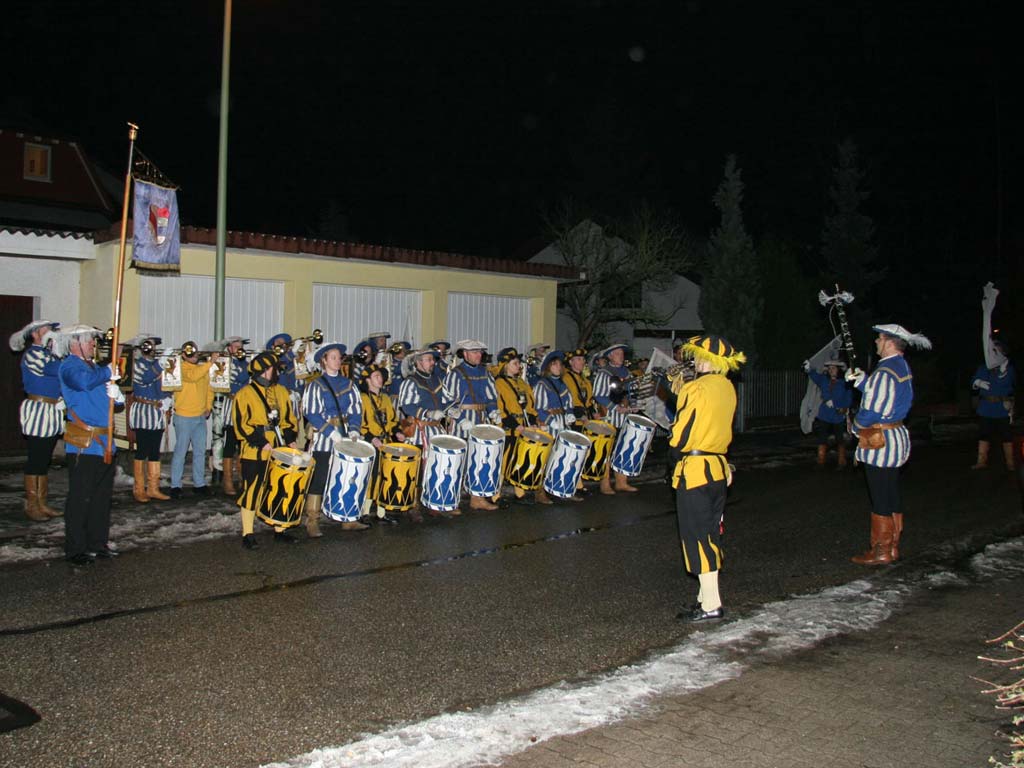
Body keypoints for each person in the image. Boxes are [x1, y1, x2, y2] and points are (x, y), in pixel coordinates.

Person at [667, 334, 745, 622]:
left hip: (695, 470)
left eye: (700, 357)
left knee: (696, 535)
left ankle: (711, 604)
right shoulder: (727, 387)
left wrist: (672, 457)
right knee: (710, 532)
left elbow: (681, 433)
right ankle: (704, 597)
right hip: (718, 468)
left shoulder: (696, 387)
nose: (696, 361)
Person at [846, 324, 931, 565]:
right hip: (895, 437)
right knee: (891, 492)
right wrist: (863, 381)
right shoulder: (900, 366)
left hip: (881, 442)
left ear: (889, 342)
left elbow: (873, 409)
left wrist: (856, 426)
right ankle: (892, 547)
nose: (876, 342)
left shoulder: (885, 372)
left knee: (880, 495)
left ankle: (881, 550)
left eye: (879, 339)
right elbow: (886, 395)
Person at [57, 324, 123, 565]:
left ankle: (97, 543)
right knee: (81, 497)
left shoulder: (93, 367)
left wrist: (116, 396)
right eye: (89, 341)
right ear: (75, 343)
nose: (93, 344)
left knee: (101, 498)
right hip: (84, 444)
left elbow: (106, 400)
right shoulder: (69, 367)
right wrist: (108, 370)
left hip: (105, 442)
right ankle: (75, 548)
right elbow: (84, 383)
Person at [234, 351, 300, 548]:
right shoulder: (244, 394)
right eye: (273, 368)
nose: (276, 371)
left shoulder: (281, 391)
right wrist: (261, 442)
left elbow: (289, 419)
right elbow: (241, 424)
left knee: (280, 488)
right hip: (254, 450)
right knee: (252, 490)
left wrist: (290, 439)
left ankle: (280, 530)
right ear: (264, 370)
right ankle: (247, 534)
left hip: (279, 448)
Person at [302, 342, 366, 534]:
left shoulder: (349, 384)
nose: (338, 361)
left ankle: (347, 517)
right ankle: (312, 520)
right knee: (320, 476)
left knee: (347, 475)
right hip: (324, 437)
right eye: (333, 357)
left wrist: (354, 429)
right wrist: (330, 432)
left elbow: (356, 409)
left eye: (339, 357)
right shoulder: (315, 385)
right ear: (324, 360)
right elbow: (311, 412)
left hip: (345, 435)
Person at [10, 319, 64, 521]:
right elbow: (53, 370)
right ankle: (32, 504)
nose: (51, 332)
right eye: (46, 330)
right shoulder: (33, 354)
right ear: (35, 334)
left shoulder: (50, 354)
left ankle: (42, 502)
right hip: (38, 410)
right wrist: (59, 353)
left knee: (44, 459)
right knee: (36, 459)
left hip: (51, 410)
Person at [492, 347, 549, 505]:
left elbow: (530, 406)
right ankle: (495, 495)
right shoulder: (499, 383)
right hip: (508, 428)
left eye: (519, 363)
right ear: (505, 365)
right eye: (515, 363)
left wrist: (534, 421)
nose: (519, 366)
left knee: (519, 459)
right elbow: (500, 408)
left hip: (524, 427)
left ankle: (520, 493)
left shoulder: (522, 383)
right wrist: (514, 425)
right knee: (504, 461)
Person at [972, 283, 1015, 471]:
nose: (992, 352)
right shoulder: (984, 367)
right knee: (984, 435)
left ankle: (1010, 463)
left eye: (996, 349)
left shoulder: (1008, 369)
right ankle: (981, 461)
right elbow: (974, 381)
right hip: (986, 408)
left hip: (1001, 408)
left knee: (1006, 436)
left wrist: (1002, 371)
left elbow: (1007, 384)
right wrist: (978, 382)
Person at [358, 362, 405, 524]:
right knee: (370, 477)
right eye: (376, 376)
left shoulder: (385, 398)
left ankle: (381, 512)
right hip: (370, 444)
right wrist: (371, 437)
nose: (380, 379)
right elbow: (359, 423)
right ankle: (364, 512)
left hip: (385, 443)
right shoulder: (363, 399)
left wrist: (397, 432)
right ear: (368, 380)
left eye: (381, 376)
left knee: (385, 476)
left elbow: (392, 419)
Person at [127, 334, 171, 502]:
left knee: (154, 451)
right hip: (143, 411)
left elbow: (163, 384)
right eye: (150, 345)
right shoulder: (138, 364)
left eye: (154, 345)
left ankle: (153, 488)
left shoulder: (156, 364)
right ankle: (139, 489)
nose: (153, 348)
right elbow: (145, 378)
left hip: (157, 412)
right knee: (142, 450)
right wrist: (161, 364)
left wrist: (167, 398)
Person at [592, 343, 638, 494]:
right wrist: (615, 407)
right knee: (606, 450)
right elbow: (599, 395)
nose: (621, 356)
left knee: (623, 449)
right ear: (610, 356)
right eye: (618, 353)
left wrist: (633, 405)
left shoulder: (627, 373)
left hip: (625, 417)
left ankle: (621, 482)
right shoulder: (604, 373)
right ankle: (605, 483)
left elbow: (632, 393)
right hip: (610, 417)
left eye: (622, 353)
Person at [169, 342, 213, 497]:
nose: (193, 356)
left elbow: (209, 389)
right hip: (184, 416)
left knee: (200, 452)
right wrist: (211, 362)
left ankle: (199, 484)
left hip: (200, 416)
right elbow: (193, 377)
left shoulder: (203, 369)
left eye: (195, 352)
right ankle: (175, 485)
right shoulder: (179, 368)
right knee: (180, 452)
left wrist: (208, 406)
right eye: (189, 353)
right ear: (183, 355)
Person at [442, 339, 502, 439]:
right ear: (465, 354)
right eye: (475, 352)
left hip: (482, 423)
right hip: (461, 426)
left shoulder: (486, 373)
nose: (479, 355)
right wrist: (461, 420)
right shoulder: (455, 374)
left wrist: (493, 411)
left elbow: (491, 398)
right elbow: (447, 402)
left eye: (480, 352)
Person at [803, 359, 854, 468]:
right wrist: (808, 368)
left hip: (838, 414)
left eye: (833, 368)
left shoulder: (844, 382)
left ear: (838, 370)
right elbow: (814, 376)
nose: (831, 370)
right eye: (829, 368)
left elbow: (849, 396)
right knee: (822, 437)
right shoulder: (824, 380)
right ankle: (821, 460)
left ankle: (841, 461)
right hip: (825, 414)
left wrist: (844, 407)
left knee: (839, 438)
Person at [217, 336, 250, 495]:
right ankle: (228, 481)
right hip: (231, 405)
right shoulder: (226, 363)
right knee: (229, 444)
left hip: (245, 406)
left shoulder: (245, 363)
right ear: (229, 348)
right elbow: (234, 379)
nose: (239, 349)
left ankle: (243, 478)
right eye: (236, 347)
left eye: (241, 346)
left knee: (243, 444)